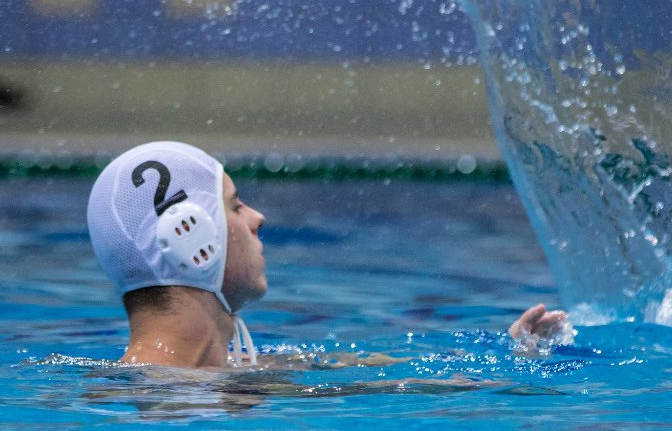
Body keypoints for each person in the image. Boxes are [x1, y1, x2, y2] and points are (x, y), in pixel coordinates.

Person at [87, 141, 569, 369]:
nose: (257, 217)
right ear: (189, 236)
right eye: (234, 205)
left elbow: (407, 378)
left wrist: (517, 357)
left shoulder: (242, 374)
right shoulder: (154, 402)